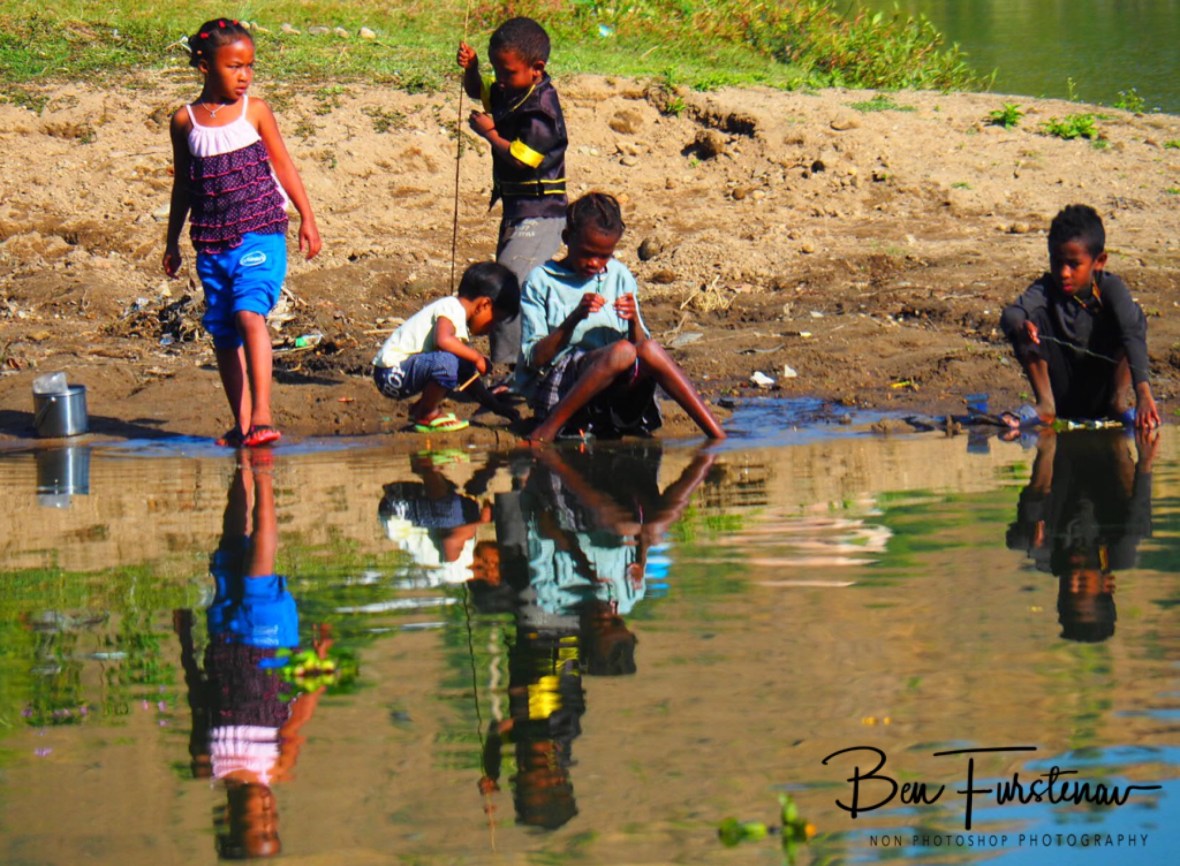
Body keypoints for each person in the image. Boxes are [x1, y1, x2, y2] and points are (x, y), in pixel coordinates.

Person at [164, 18, 321, 449]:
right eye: (234, 67)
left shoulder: (255, 111)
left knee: (250, 314)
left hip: (261, 230)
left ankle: (264, 414)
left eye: (249, 66)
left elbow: (284, 165)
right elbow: (183, 185)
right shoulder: (185, 122)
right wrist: (172, 240)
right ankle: (243, 421)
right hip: (211, 241)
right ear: (203, 66)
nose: (244, 76)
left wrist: (307, 217)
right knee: (223, 331)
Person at [516, 192, 726, 443]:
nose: (595, 263)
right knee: (623, 352)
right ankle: (548, 429)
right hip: (564, 388)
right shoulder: (542, 281)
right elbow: (534, 358)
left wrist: (633, 320)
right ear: (567, 239)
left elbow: (640, 346)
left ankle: (716, 434)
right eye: (587, 253)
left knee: (648, 348)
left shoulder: (619, 275)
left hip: (616, 391)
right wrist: (573, 319)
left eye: (604, 256)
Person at [457, 17, 569, 373]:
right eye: (496, 71)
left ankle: (512, 367)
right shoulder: (514, 89)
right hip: (518, 210)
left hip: (542, 212)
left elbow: (524, 159)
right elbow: (480, 92)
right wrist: (472, 70)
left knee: (508, 283)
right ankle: (522, 363)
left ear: (537, 69)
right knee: (514, 280)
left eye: (507, 73)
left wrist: (490, 135)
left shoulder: (542, 109)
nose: (500, 81)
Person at [999, 204, 1159, 431]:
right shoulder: (1045, 289)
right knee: (1025, 322)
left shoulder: (1110, 288)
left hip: (1103, 392)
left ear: (1099, 261)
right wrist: (1022, 325)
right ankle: (1045, 407)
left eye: (1074, 265)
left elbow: (1132, 333)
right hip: (1061, 395)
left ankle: (1119, 403)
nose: (1064, 273)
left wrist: (1143, 393)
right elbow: (1011, 314)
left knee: (1132, 319)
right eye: (1057, 262)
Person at [1005, 427, 1156, 642]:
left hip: (1059, 455)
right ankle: (1119, 442)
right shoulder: (1119, 554)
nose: (1073, 579)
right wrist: (1146, 461)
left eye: (1067, 589)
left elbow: (1014, 541)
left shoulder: (1051, 560)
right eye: (1083, 585)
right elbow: (1140, 509)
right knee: (1136, 525)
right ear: (1108, 584)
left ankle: (1046, 444)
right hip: (1108, 458)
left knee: (1030, 533)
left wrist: (1030, 532)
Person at [372, 262, 520, 432]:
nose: (491, 329)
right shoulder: (451, 307)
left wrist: (497, 408)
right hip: (391, 373)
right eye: (494, 321)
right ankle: (427, 413)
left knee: (460, 365)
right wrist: (477, 357)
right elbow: (442, 340)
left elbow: (469, 380)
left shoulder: (457, 317)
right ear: (484, 305)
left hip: (401, 374)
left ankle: (421, 409)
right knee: (448, 362)